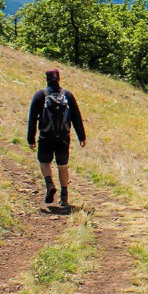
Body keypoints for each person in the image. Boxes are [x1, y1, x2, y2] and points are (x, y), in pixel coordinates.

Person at [27, 68, 86, 207]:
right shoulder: (67, 95)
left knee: (44, 162)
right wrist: (81, 137)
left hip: (45, 136)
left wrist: (31, 138)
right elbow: (76, 117)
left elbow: (32, 119)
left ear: (47, 79)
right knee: (62, 166)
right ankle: (64, 196)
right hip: (63, 137)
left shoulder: (40, 95)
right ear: (58, 79)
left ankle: (49, 184)